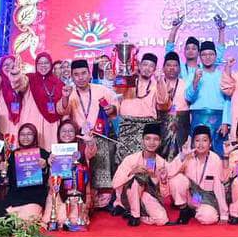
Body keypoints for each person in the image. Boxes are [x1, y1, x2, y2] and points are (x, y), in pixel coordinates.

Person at [59, 58, 119, 207]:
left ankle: (103, 195)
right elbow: (62, 111)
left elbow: (115, 105)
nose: (81, 77)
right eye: (76, 74)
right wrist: (65, 97)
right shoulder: (70, 92)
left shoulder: (101, 90)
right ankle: (84, 193)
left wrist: (112, 109)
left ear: (89, 74)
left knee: (102, 149)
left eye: (83, 73)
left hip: (99, 134)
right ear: (72, 76)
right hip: (79, 137)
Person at [111, 121, 173, 226]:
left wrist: (162, 180)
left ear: (160, 142)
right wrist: (132, 172)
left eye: (155, 139)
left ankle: (136, 213)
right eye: (148, 139)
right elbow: (115, 183)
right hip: (128, 196)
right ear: (142, 140)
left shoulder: (162, 163)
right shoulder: (130, 159)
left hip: (147, 196)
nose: (151, 142)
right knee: (138, 178)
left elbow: (165, 194)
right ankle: (134, 215)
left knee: (162, 220)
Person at [169, 125, 229, 224]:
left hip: (207, 196)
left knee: (208, 218)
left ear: (210, 143)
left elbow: (219, 187)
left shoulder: (215, 159)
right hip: (191, 195)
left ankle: (195, 211)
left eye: (204, 140)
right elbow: (170, 173)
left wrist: (224, 214)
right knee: (176, 180)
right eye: (197, 140)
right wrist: (182, 156)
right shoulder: (187, 156)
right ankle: (184, 209)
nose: (200, 144)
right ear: (193, 143)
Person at [117, 51, 167, 168]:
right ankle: (125, 179)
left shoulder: (157, 84)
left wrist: (160, 81)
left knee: (147, 161)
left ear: (155, 69)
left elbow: (163, 101)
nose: (147, 68)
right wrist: (125, 72)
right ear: (139, 65)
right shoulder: (130, 80)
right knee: (125, 161)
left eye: (151, 66)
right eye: (145, 65)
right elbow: (117, 90)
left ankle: (149, 178)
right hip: (127, 125)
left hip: (147, 126)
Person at [184, 40, 231, 150]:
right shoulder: (193, 74)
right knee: (197, 151)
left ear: (215, 56)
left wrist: (226, 122)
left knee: (219, 152)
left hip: (218, 118)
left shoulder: (222, 75)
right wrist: (195, 81)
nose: (207, 57)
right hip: (198, 117)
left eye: (211, 54)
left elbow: (228, 99)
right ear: (200, 57)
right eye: (204, 55)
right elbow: (188, 98)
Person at [0, 121, 49, 223]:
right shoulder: (11, 155)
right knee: (5, 222)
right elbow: (4, 180)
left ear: (34, 136)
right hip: (14, 198)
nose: (25, 137)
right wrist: (3, 171)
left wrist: (44, 168)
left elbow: (51, 180)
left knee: (25, 222)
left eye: (29, 134)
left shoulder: (43, 154)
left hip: (34, 199)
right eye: (22, 134)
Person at [21, 52, 62, 148]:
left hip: (51, 123)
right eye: (40, 63)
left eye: (46, 63)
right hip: (32, 117)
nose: (43, 65)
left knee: (48, 147)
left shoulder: (59, 83)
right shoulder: (29, 78)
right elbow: (20, 84)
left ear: (51, 64)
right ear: (36, 65)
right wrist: (16, 74)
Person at [155, 51, 189, 159]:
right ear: (163, 68)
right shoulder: (157, 83)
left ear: (179, 68)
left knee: (180, 154)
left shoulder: (185, 84)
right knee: (159, 152)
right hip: (161, 123)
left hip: (181, 124)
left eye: (175, 65)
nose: (172, 68)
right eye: (168, 65)